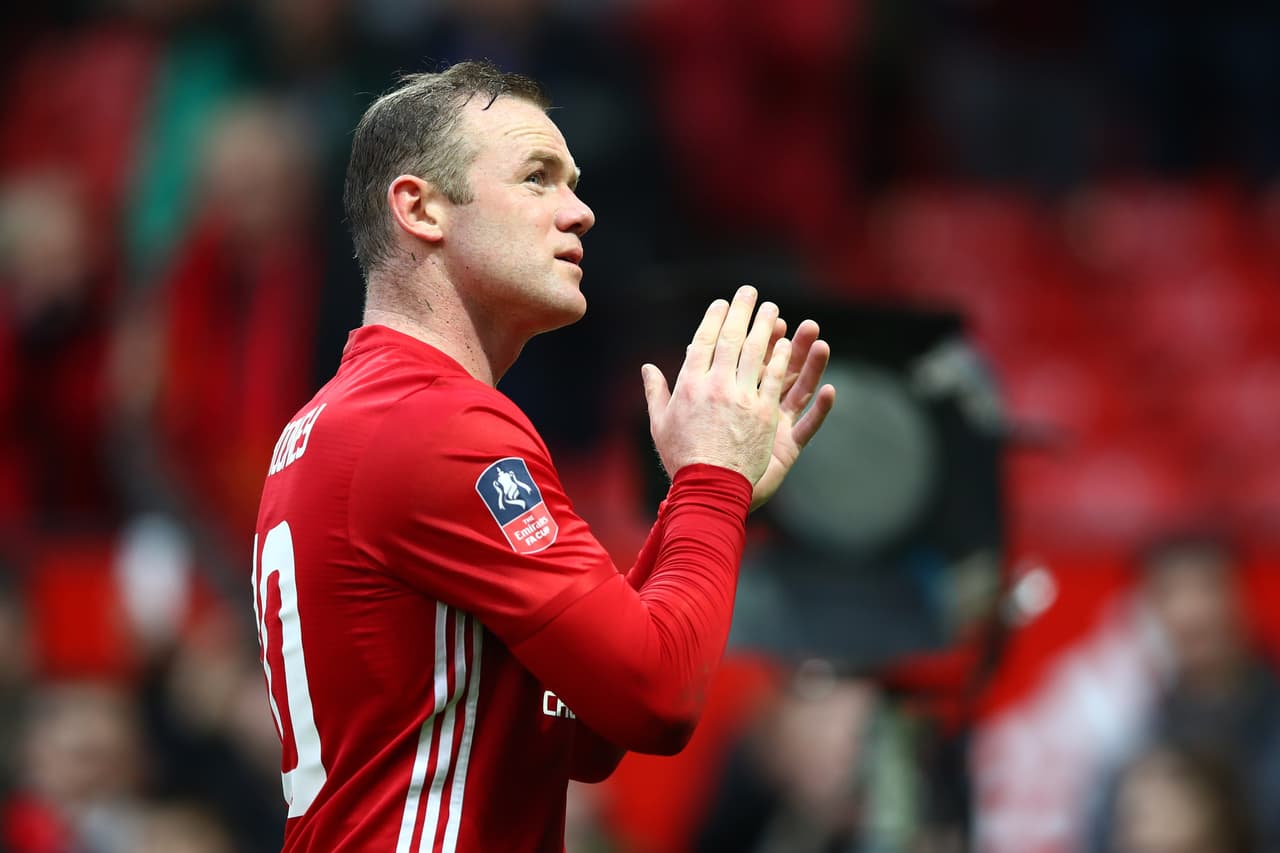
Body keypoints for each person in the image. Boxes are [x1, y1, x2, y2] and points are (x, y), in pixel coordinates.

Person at [251, 60, 835, 852]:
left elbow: (586, 725)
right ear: (420, 208)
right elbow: (654, 696)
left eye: (575, 182)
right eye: (539, 178)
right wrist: (711, 480)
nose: (582, 212)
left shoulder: (338, 421)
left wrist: (701, 499)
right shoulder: (439, 422)